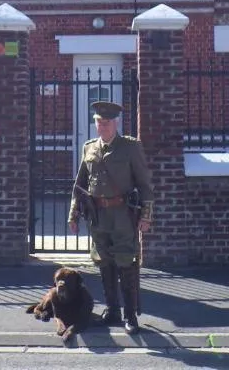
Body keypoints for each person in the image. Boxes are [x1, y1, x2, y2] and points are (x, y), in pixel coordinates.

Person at [68, 100, 153, 335]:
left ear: (115, 123)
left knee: (126, 262)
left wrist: (145, 216)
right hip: (98, 216)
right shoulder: (89, 148)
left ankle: (130, 315)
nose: (101, 127)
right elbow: (80, 185)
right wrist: (73, 214)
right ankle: (112, 310)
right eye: (98, 122)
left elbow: (145, 185)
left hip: (122, 215)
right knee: (104, 262)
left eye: (106, 123)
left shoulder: (130, 148)